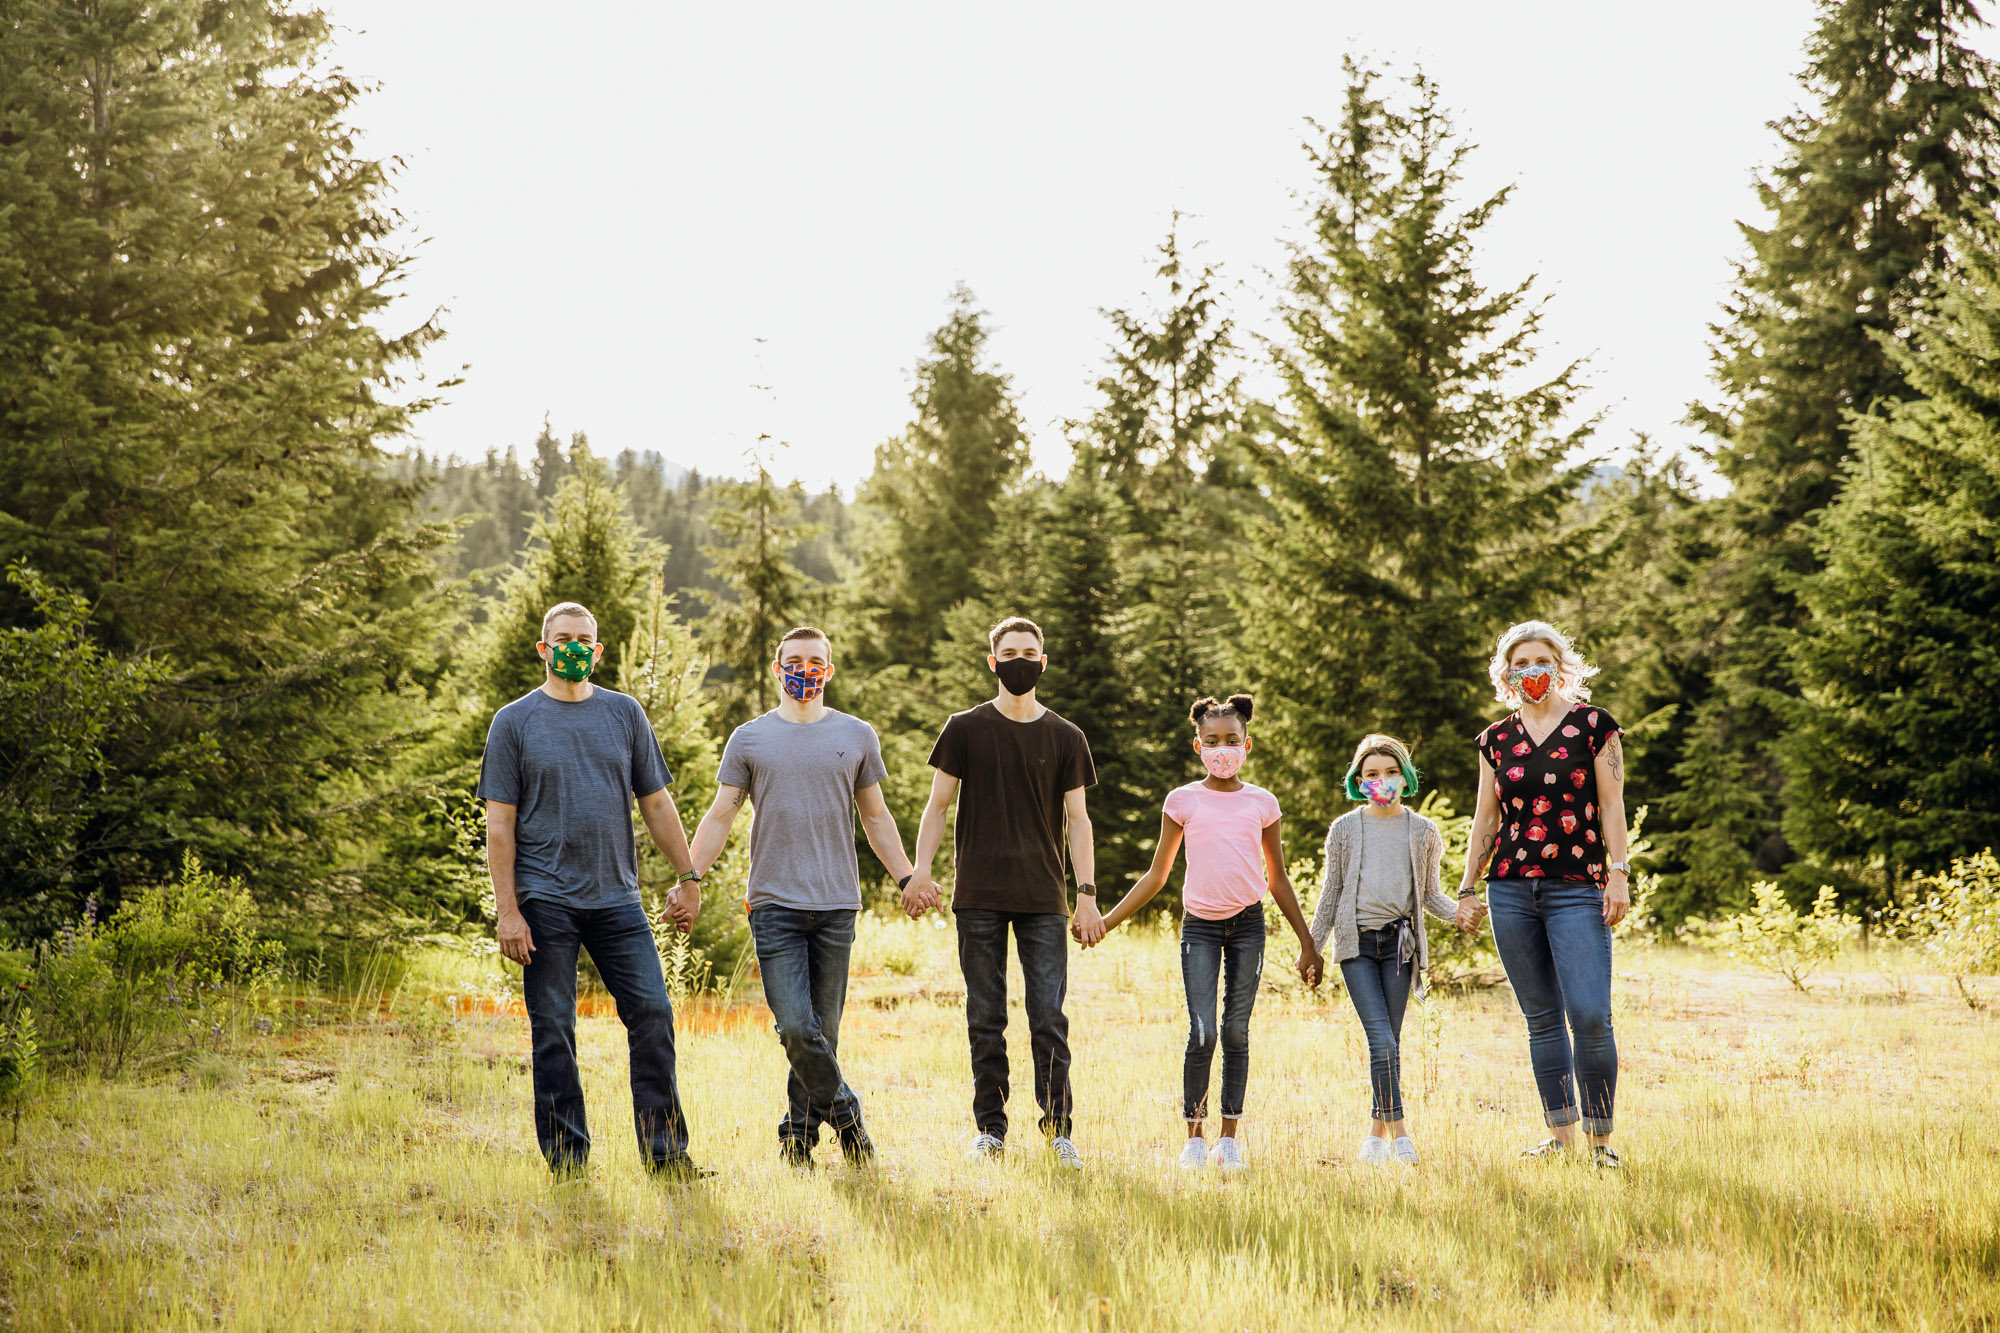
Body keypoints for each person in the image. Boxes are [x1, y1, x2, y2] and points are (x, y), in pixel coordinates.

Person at [479, 602, 710, 1180]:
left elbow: (656, 804)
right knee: (554, 1027)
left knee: (654, 1014)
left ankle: (666, 1155)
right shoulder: (515, 722)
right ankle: (568, 1161)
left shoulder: (624, 714)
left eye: (584, 639)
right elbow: (499, 824)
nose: (574, 647)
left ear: (599, 650)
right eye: (563, 639)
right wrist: (508, 911)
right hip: (545, 898)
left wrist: (688, 877)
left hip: (617, 900)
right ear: (543, 648)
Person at [682, 626, 917, 1171]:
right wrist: (690, 875)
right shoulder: (749, 739)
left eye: (815, 661)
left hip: (837, 904)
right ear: (776, 667)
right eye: (794, 660)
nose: (804, 669)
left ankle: (797, 1137)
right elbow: (721, 815)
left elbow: (876, 816)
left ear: (829, 670)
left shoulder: (857, 735)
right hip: (774, 904)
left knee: (821, 1034)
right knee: (795, 1026)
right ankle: (848, 1114)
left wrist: (907, 878)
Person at [1086, 693, 1322, 1172]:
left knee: (1236, 1031)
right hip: (1200, 928)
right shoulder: (1182, 801)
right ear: (1198, 746)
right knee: (1202, 1032)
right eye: (1212, 741)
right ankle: (1194, 1138)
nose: (1222, 749)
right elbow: (1157, 875)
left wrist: (1307, 943)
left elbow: (1276, 878)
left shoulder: (1263, 803)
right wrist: (1108, 922)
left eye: (1231, 741)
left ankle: (1229, 1139)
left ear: (1247, 745)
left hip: (1248, 927)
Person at [904, 616, 1097, 1169]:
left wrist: (1085, 894)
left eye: (1028, 651)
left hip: (1043, 897)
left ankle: (1059, 1131)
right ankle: (990, 1129)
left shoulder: (1066, 736)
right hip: (978, 895)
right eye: (1008, 652)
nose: (1019, 660)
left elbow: (1078, 821)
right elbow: (937, 806)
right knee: (985, 1016)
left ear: (1043, 660)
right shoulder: (964, 728)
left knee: (1048, 1016)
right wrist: (921, 870)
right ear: (993, 662)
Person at [1458, 620, 1631, 1169]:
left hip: (1577, 886)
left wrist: (1620, 874)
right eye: (1520, 663)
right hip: (1510, 888)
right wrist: (1466, 888)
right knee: (1541, 1017)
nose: (1531, 671)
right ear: (1507, 674)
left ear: (1560, 666)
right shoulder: (1494, 740)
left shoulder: (1594, 727)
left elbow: (1611, 806)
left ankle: (1602, 1146)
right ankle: (1562, 1140)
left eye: (1541, 661)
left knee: (1590, 1015)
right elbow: (1487, 815)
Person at [1310, 733, 1470, 1168]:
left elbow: (1431, 895)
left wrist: (1462, 913)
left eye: (1391, 772)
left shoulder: (1423, 832)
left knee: (1390, 1042)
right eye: (1372, 774)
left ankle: (1374, 1137)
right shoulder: (1345, 829)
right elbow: (1331, 892)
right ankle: (1402, 1136)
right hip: (1357, 943)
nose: (1382, 780)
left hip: (1400, 944)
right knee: (1380, 1037)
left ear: (1405, 777)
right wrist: (1313, 946)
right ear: (1358, 782)